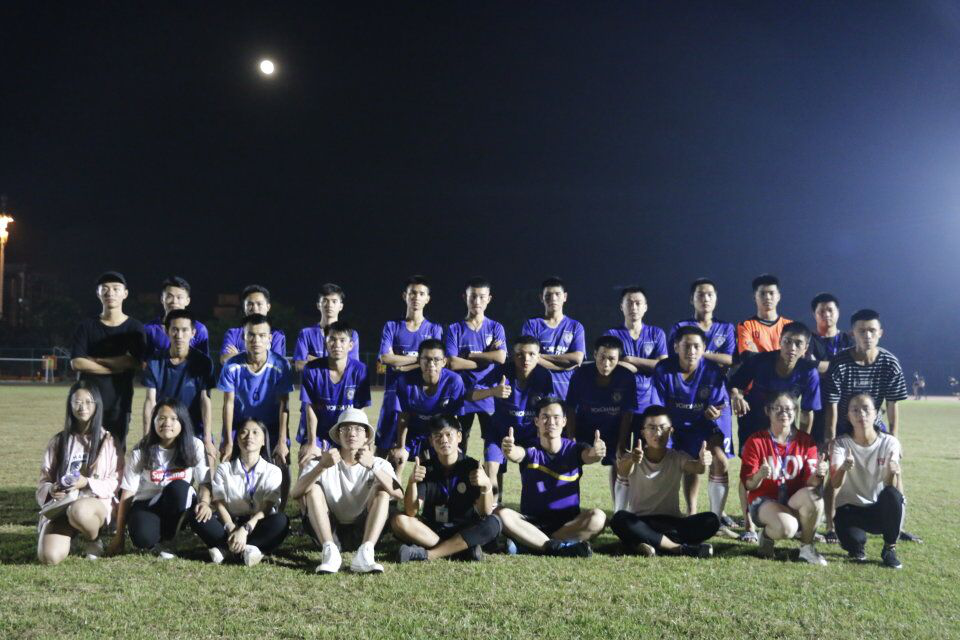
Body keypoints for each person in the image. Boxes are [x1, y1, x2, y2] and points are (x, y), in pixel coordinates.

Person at [822, 309, 913, 542]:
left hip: (874, 423)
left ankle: (898, 524)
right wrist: (830, 439)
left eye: (872, 330)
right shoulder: (840, 361)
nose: (867, 335)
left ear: (881, 333)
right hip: (844, 422)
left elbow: (892, 404)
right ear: (852, 333)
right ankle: (830, 525)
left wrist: (894, 440)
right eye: (861, 331)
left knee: (894, 468)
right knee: (835, 473)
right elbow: (832, 404)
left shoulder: (889, 362)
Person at [729, 321, 820, 541]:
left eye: (798, 344)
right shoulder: (760, 361)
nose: (791, 348)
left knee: (785, 470)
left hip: (785, 425)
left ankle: (785, 515)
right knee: (749, 472)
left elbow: (807, 411)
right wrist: (737, 396)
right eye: (787, 342)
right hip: (753, 422)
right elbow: (735, 384)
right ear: (779, 341)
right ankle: (749, 526)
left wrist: (803, 443)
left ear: (805, 348)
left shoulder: (809, 371)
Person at [291, 408, 402, 574]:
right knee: (313, 489)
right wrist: (321, 466)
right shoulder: (324, 461)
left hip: (365, 529)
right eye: (346, 428)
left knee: (382, 490)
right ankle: (329, 552)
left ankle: (366, 553)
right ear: (338, 435)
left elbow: (398, 493)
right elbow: (295, 493)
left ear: (366, 436)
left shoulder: (379, 463)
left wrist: (373, 466)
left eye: (358, 429)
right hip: (329, 529)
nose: (352, 433)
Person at [494, 397, 606, 554]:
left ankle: (534, 544)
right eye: (545, 417)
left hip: (568, 524)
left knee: (598, 518)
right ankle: (558, 546)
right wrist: (509, 450)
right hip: (531, 523)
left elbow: (589, 455)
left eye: (556, 417)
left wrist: (597, 453)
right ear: (536, 421)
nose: (551, 422)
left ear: (564, 421)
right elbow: (517, 454)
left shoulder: (574, 449)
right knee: (499, 513)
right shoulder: (530, 448)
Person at [651, 326, 733, 531]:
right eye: (686, 346)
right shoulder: (663, 369)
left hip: (702, 427)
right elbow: (657, 406)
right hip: (672, 428)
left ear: (704, 348)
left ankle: (715, 520)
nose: (692, 351)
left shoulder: (712, 371)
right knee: (679, 464)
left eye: (697, 346)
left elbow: (719, 406)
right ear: (676, 347)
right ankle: (687, 513)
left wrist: (713, 413)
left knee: (720, 461)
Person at [610, 405, 718, 558]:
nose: (658, 433)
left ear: (671, 431)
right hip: (641, 521)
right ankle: (677, 548)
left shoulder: (677, 457)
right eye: (652, 428)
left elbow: (697, 468)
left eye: (663, 428)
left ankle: (643, 543)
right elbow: (623, 471)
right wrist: (632, 460)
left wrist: (702, 461)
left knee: (711, 520)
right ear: (643, 432)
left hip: (671, 523)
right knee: (620, 519)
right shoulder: (633, 457)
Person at [107, 399, 211, 558]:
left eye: (173, 418)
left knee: (178, 487)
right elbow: (127, 494)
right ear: (153, 421)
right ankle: (158, 538)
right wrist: (119, 535)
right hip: (148, 503)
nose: (167, 423)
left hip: (178, 500)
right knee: (142, 538)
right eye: (161, 418)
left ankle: (172, 536)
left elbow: (204, 482)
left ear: (183, 422)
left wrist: (204, 502)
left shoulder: (194, 445)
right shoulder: (142, 451)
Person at [391, 414, 501, 562]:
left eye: (449, 435)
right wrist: (412, 483)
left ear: (459, 437)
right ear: (431, 441)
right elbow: (411, 511)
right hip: (433, 532)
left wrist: (486, 486)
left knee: (493, 523)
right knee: (398, 521)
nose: (444, 440)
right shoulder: (425, 468)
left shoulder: (472, 467)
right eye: (437, 436)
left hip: (464, 529)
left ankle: (429, 554)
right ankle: (460, 550)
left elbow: (484, 512)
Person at [740, 392, 829, 566]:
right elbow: (748, 484)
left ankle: (807, 549)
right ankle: (766, 535)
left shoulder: (805, 441)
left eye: (789, 409)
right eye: (778, 409)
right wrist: (759, 475)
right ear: (768, 411)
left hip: (793, 500)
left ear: (795, 411)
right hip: (764, 501)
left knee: (815, 498)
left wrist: (819, 473)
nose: (784, 413)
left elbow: (811, 484)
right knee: (788, 528)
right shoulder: (756, 441)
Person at [36, 382, 120, 564]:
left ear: (97, 405)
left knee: (79, 511)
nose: (83, 407)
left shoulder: (108, 441)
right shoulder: (59, 441)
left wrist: (87, 482)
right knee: (49, 557)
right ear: (70, 405)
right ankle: (71, 533)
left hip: (93, 506)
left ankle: (93, 539)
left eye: (88, 402)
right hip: (63, 506)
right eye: (77, 402)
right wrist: (51, 489)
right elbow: (44, 480)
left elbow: (116, 481)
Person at [189, 419, 289, 566]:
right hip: (228, 523)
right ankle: (248, 550)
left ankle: (226, 548)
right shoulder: (224, 469)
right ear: (237, 440)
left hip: (257, 524)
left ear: (264, 441)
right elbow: (219, 503)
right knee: (197, 514)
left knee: (281, 521)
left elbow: (267, 508)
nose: (249, 436)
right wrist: (231, 527)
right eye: (244, 432)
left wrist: (245, 530)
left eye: (255, 432)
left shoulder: (273, 471)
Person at [218, 314, 293, 506]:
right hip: (241, 425)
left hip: (271, 425)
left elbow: (284, 405)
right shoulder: (232, 365)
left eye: (262, 335)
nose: (256, 340)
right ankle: (231, 509)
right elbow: (228, 404)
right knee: (227, 462)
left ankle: (281, 509)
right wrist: (227, 440)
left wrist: (282, 441)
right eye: (251, 335)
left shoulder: (280, 365)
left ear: (270, 338)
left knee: (282, 462)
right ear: (244, 337)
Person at [468, 335, 555, 498]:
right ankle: (494, 507)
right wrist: (492, 391)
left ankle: (530, 509)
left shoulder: (544, 376)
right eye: (520, 354)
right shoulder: (502, 371)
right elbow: (470, 395)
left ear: (538, 356)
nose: (526, 359)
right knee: (491, 469)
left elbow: (549, 408)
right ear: (513, 356)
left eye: (531, 354)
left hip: (529, 434)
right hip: (499, 432)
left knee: (532, 474)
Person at [70, 270, 146, 451]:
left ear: (125, 293)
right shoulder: (86, 326)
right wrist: (115, 367)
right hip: (87, 402)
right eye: (105, 288)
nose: (110, 292)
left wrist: (95, 361)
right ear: (98, 293)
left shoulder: (134, 328)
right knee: (83, 449)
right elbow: (77, 362)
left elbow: (137, 362)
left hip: (119, 402)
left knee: (116, 451)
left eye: (116, 288)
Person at [830, 393, 905, 569]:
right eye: (855, 410)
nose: (861, 414)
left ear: (876, 413)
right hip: (850, 509)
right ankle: (855, 546)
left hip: (878, 508)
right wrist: (844, 468)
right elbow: (834, 483)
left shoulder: (889, 442)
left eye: (866, 409)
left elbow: (890, 487)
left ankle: (889, 548)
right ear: (848, 416)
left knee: (892, 495)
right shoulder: (840, 444)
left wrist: (892, 472)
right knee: (855, 544)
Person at [375, 275, 443, 456]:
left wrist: (402, 365)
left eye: (421, 293)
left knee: (425, 450)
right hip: (394, 393)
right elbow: (385, 358)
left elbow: (434, 362)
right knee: (383, 447)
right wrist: (421, 360)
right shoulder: (392, 326)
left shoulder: (434, 329)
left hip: (421, 396)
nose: (416, 297)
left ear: (427, 298)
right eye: (412, 293)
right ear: (404, 296)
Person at [142, 309, 217, 469]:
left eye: (184, 330)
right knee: (151, 467)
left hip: (194, 427)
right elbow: (150, 401)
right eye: (175, 329)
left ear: (193, 333)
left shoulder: (203, 362)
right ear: (166, 331)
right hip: (165, 426)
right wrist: (147, 438)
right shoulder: (154, 361)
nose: (179, 335)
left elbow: (205, 400)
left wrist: (207, 438)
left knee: (208, 461)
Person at [565, 335, 637, 498]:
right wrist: (570, 437)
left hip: (613, 431)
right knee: (570, 460)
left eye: (612, 359)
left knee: (621, 463)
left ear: (619, 359)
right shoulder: (581, 374)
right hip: (585, 428)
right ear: (595, 354)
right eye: (602, 357)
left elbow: (628, 412)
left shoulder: (626, 377)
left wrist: (622, 443)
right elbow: (570, 408)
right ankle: (567, 503)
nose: (606, 363)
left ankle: (619, 508)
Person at [444, 277, 507, 454]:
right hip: (463, 394)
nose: (477, 301)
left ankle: (493, 474)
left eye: (482, 297)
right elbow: (452, 363)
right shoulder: (455, 329)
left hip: (490, 393)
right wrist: (487, 358)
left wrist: (470, 356)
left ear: (489, 299)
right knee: (460, 440)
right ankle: (460, 472)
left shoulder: (496, 327)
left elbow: (501, 357)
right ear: (465, 297)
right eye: (473, 296)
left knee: (493, 441)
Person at [297, 321, 371, 463]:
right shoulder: (311, 369)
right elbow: (310, 408)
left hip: (347, 432)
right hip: (319, 434)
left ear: (351, 345)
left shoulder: (360, 370)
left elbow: (359, 410)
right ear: (326, 342)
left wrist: (361, 440)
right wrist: (312, 443)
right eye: (332, 339)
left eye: (342, 340)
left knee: (359, 463)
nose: (337, 344)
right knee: (307, 461)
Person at [388, 339, 466, 471]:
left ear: (444, 361)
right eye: (426, 359)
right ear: (419, 360)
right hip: (412, 431)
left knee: (445, 463)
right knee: (397, 461)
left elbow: (452, 418)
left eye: (436, 359)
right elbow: (403, 417)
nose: (431, 364)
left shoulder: (454, 381)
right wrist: (400, 446)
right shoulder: (405, 381)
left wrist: (453, 444)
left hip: (438, 432)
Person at [605, 286, 668, 445]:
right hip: (619, 405)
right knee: (620, 453)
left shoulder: (656, 333)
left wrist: (631, 360)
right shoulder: (612, 334)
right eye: (629, 303)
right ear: (622, 306)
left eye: (638, 303)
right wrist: (647, 366)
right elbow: (608, 366)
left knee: (649, 452)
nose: (633, 307)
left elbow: (663, 366)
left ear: (645, 307)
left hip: (650, 405)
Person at [521, 277, 585, 400]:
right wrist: (563, 366)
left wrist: (541, 356)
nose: (553, 298)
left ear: (565, 297)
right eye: (548, 295)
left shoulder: (575, 326)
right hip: (539, 390)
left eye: (557, 294)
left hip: (567, 390)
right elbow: (530, 358)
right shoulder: (532, 325)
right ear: (541, 298)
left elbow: (577, 358)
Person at [667, 278, 736, 367]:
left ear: (716, 300)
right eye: (700, 295)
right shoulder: (679, 327)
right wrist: (717, 358)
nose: (706, 299)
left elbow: (731, 360)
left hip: (717, 376)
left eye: (710, 295)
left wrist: (697, 354)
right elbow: (673, 359)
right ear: (692, 299)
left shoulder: (726, 328)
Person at [293, 283, 360, 372]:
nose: (329, 305)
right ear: (318, 305)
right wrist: (336, 362)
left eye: (334, 301)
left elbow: (352, 368)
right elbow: (299, 366)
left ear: (341, 306)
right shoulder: (306, 333)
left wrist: (313, 359)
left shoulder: (351, 334)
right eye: (325, 300)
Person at [142, 276, 210, 359]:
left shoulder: (199, 329)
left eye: (179, 297)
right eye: (169, 296)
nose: (174, 301)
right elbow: (143, 362)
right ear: (162, 299)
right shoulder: (148, 329)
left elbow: (204, 362)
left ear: (187, 301)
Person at [219, 285, 287, 364]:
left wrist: (238, 355)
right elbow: (225, 359)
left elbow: (276, 363)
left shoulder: (277, 335)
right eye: (250, 304)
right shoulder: (233, 334)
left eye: (259, 304)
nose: (254, 308)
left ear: (268, 307)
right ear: (244, 307)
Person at [737, 274, 791, 359]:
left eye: (771, 293)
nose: (767, 297)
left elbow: (795, 357)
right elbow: (747, 357)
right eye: (762, 294)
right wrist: (781, 355)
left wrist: (759, 354)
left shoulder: (790, 326)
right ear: (754, 297)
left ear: (779, 297)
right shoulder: (745, 326)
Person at [807, 293, 854, 375]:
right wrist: (841, 367)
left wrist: (817, 364)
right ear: (814, 315)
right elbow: (808, 366)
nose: (827, 314)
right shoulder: (807, 340)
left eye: (830, 310)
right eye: (822, 311)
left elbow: (852, 368)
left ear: (838, 312)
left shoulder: (848, 340)